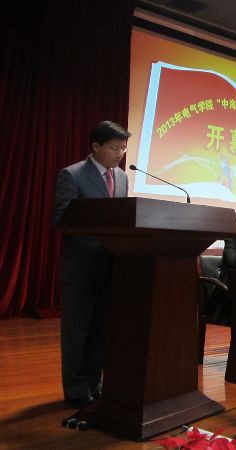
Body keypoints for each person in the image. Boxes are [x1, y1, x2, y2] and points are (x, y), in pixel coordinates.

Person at [52, 120, 130, 408]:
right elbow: (60, 219)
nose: (119, 154)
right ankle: (75, 390)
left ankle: (94, 384)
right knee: (77, 333)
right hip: (81, 267)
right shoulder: (72, 175)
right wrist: (98, 228)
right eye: (114, 148)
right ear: (96, 146)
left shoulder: (122, 177)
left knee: (101, 331)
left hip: (111, 265)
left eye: (123, 148)